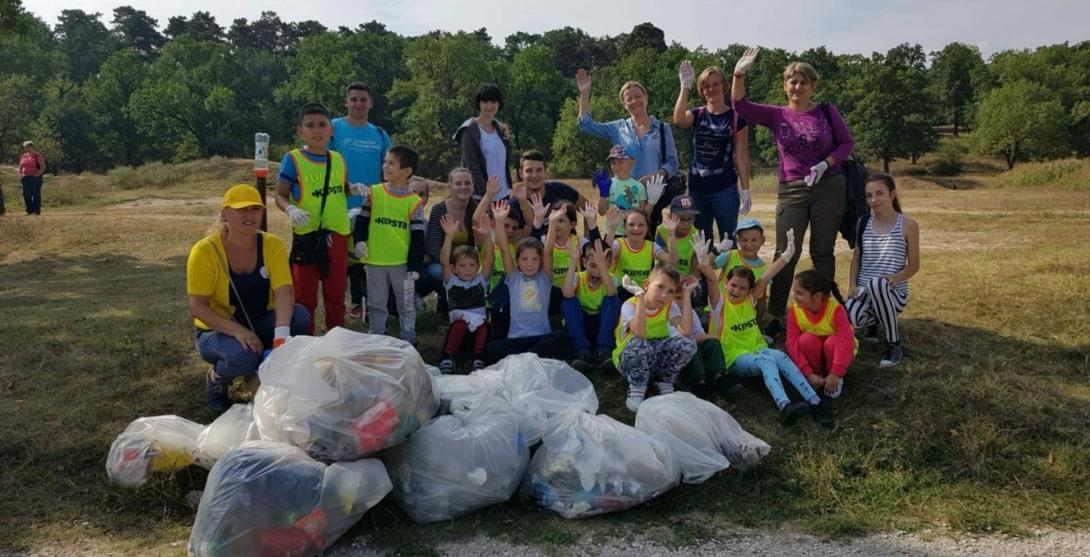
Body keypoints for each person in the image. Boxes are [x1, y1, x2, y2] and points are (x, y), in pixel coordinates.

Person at [731, 47, 855, 337]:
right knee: (786, 252)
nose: (797, 86)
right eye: (792, 81)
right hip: (792, 189)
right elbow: (740, 106)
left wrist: (826, 164)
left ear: (813, 86)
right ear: (785, 86)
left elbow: (846, 143)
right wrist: (738, 74)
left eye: (803, 81)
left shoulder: (826, 111)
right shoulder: (777, 115)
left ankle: (822, 311)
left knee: (822, 252)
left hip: (829, 186)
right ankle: (776, 314)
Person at [187, 184, 310, 411]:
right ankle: (217, 378)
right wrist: (237, 331)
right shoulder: (204, 251)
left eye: (255, 209)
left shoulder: (272, 244)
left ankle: (272, 365)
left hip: (260, 321)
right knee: (243, 357)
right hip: (218, 330)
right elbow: (198, 307)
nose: (249, 215)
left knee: (300, 316)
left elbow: (284, 291)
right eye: (241, 209)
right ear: (225, 213)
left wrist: (281, 337)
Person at [708, 261, 834, 427]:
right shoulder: (719, 304)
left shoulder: (749, 301)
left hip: (758, 350)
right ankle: (784, 406)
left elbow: (766, 276)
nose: (736, 290)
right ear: (725, 284)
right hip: (734, 357)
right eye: (733, 285)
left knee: (780, 355)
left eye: (742, 288)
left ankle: (815, 402)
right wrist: (704, 262)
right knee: (766, 361)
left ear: (750, 291)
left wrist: (785, 256)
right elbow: (710, 280)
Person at [275, 103, 354, 335]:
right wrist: (290, 209)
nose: (316, 131)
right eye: (310, 126)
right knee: (304, 296)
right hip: (307, 235)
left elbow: (340, 189)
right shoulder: (293, 159)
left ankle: (337, 338)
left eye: (322, 125)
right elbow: (279, 194)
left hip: (337, 234)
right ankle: (304, 340)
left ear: (332, 130)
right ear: (301, 130)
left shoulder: (338, 159)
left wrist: (353, 189)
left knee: (336, 293)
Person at [576, 70, 679, 226]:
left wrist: (658, 174)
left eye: (638, 96)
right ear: (624, 104)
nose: (634, 101)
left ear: (646, 98)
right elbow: (586, 126)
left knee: (647, 245)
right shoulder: (618, 127)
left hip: (651, 198)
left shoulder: (663, 129)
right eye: (629, 99)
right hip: (621, 198)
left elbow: (672, 163)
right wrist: (585, 93)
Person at [331, 82, 392, 320]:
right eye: (354, 99)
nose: (358, 104)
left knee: (361, 253)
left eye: (363, 99)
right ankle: (333, 307)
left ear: (371, 103)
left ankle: (360, 303)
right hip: (337, 204)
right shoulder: (333, 128)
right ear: (346, 102)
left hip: (369, 205)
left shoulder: (379, 133)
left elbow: (389, 168)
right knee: (338, 259)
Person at [845, 173, 920, 368]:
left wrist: (896, 277)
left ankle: (893, 344)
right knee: (847, 318)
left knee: (877, 284)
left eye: (879, 193)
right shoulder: (863, 222)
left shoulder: (908, 225)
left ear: (892, 194)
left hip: (893, 291)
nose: (873, 200)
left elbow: (913, 266)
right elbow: (856, 258)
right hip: (864, 291)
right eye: (869, 195)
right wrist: (852, 285)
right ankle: (873, 323)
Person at [354, 146, 426, 343]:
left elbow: (419, 238)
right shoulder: (373, 192)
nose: (385, 166)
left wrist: (415, 266)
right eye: (385, 162)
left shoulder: (414, 202)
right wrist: (359, 240)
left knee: (407, 304)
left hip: (402, 264)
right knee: (376, 303)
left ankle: (408, 338)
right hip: (375, 261)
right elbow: (362, 220)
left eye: (391, 163)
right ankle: (376, 338)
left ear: (406, 171)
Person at [673, 62, 751, 242]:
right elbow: (678, 119)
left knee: (728, 240)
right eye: (706, 86)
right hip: (697, 189)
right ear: (701, 91)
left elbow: (741, 155)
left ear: (724, 86)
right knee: (700, 241)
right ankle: (701, 271)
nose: (711, 89)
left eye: (715, 84)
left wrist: (745, 189)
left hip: (725, 189)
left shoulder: (737, 118)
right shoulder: (698, 114)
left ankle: (729, 271)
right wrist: (685, 86)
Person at [485, 200, 571, 363]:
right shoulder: (513, 278)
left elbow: (548, 251)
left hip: (540, 338)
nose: (530, 264)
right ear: (517, 261)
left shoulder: (544, 278)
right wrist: (499, 221)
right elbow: (504, 249)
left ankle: (527, 357)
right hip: (516, 339)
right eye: (524, 259)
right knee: (492, 348)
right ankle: (532, 358)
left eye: (534, 259)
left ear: (540, 261)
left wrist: (552, 222)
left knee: (561, 336)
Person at [612, 264, 698, 412]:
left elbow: (686, 330)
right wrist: (639, 297)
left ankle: (663, 380)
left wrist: (686, 293)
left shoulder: (669, 306)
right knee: (640, 344)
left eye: (670, 291)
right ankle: (637, 387)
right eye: (660, 287)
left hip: (654, 359)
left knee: (688, 344)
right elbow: (639, 333)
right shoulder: (629, 305)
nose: (664, 295)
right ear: (646, 284)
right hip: (630, 360)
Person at [561, 204, 621, 371]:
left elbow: (611, 292)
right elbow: (566, 294)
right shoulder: (579, 277)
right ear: (585, 262)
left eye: (601, 266)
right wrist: (573, 262)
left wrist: (602, 264)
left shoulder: (611, 279)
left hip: (603, 326)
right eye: (592, 265)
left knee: (613, 299)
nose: (597, 271)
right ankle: (582, 352)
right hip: (582, 325)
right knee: (568, 301)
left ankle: (604, 350)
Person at [787, 269, 857, 400]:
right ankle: (817, 376)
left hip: (837, 353)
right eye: (793, 291)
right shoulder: (794, 310)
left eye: (799, 293)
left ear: (817, 296)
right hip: (814, 352)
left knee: (832, 342)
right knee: (805, 340)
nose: (794, 296)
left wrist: (836, 372)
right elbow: (791, 344)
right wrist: (808, 373)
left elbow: (846, 341)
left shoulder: (836, 309)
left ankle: (835, 378)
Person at [437, 212, 494, 373]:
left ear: (477, 267)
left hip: (478, 336)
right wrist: (449, 237)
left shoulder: (480, 281)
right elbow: (443, 261)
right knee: (459, 324)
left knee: (485, 326)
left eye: (472, 265)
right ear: (454, 268)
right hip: (459, 335)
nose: (468, 270)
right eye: (462, 266)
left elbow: (489, 261)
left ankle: (479, 358)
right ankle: (448, 357)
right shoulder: (451, 282)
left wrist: (487, 236)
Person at [425, 168, 479, 313]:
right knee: (438, 273)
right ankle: (447, 301)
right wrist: (455, 266)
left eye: (467, 183)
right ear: (450, 186)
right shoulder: (439, 209)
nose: (463, 187)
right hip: (441, 261)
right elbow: (433, 246)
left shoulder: (477, 209)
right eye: (458, 183)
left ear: (473, 186)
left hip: (470, 262)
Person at [454, 84, 516, 204]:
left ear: (499, 104)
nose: (489, 106)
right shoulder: (469, 129)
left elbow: (505, 159)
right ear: (479, 103)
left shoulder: (499, 128)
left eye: (493, 102)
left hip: (504, 194)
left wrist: (507, 138)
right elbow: (472, 167)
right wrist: (486, 194)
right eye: (485, 101)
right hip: (481, 197)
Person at [608, 207, 678, 301]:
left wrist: (671, 234)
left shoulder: (651, 246)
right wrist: (612, 229)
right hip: (620, 293)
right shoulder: (619, 243)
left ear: (647, 228)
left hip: (641, 293)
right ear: (624, 227)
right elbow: (606, 256)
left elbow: (672, 260)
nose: (636, 228)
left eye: (641, 225)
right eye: (631, 224)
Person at [713, 217, 774, 324]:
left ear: (763, 240)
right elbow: (706, 266)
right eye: (744, 240)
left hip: (743, 316)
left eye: (754, 240)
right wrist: (716, 251)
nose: (749, 245)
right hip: (719, 310)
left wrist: (758, 326)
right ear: (738, 240)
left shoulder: (763, 269)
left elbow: (761, 300)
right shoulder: (730, 256)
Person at [510, 150, 590, 227]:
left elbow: (589, 209)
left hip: (569, 241)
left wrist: (587, 239)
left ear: (545, 172)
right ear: (521, 173)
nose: (534, 175)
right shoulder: (514, 205)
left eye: (539, 170)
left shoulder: (560, 190)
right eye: (529, 171)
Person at [596, 145, 648, 238]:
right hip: (612, 232)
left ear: (632, 162)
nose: (617, 166)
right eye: (613, 162)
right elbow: (602, 212)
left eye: (621, 162)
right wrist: (603, 195)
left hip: (633, 233)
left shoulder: (639, 187)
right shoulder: (607, 184)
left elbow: (642, 214)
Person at [19, 140, 45, 215]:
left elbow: (43, 167)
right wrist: (21, 173)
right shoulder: (24, 156)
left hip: (35, 178)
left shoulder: (37, 156)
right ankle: (29, 210)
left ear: (32, 147)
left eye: (27, 147)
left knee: (35, 194)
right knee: (26, 194)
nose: (26, 148)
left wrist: (36, 175)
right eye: (25, 147)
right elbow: (21, 166)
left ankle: (36, 210)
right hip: (25, 177)